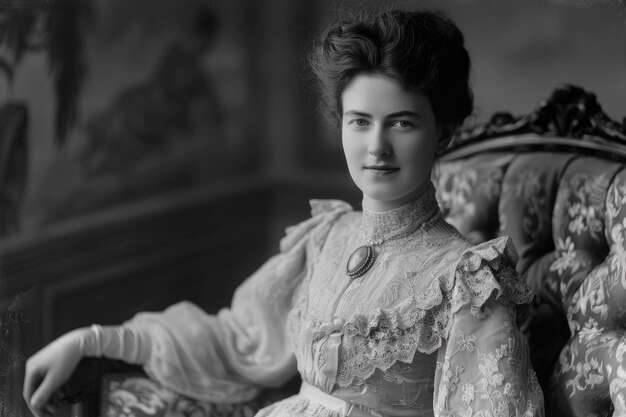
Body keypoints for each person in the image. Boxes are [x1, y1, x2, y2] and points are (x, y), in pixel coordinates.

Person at [23, 9, 545, 417]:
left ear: (444, 133)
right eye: (359, 121)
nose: (377, 147)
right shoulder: (324, 239)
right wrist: (92, 339)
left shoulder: (466, 282)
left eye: (403, 123)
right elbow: (235, 338)